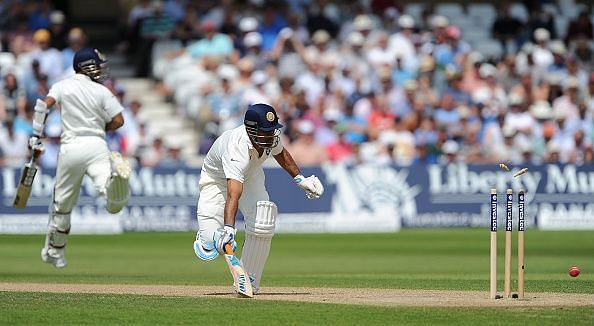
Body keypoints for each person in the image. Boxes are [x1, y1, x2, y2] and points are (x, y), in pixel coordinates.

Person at [193, 103, 324, 295]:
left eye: (273, 130)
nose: (271, 136)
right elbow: (233, 193)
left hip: (251, 174)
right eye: (265, 131)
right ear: (251, 130)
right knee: (211, 246)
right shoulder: (237, 148)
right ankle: (208, 237)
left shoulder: (268, 136)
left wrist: (300, 179)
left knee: (263, 216)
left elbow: (282, 154)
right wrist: (229, 229)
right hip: (217, 181)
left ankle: (250, 280)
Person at [28, 48, 132, 268]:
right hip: (97, 146)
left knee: (62, 205)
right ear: (87, 66)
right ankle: (117, 179)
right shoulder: (101, 91)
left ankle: (56, 252)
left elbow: (42, 105)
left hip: (71, 148)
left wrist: (36, 136)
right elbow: (119, 120)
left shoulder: (61, 85)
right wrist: (101, 125)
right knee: (113, 201)